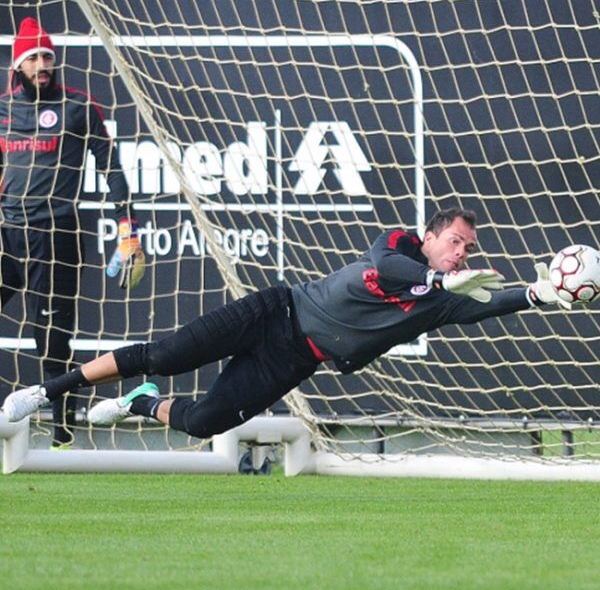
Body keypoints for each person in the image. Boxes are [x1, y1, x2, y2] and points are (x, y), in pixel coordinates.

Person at [2, 207, 569, 438]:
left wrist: (539, 293)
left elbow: (486, 305)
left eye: (468, 249)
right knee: (166, 353)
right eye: (454, 242)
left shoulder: (445, 296)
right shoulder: (399, 246)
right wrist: (441, 280)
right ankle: (46, 391)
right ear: (429, 236)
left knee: (205, 423)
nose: (461, 253)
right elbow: (387, 268)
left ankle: (142, 403)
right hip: (272, 313)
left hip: (297, 357)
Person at [0, 19, 145, 447]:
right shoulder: (3, 109)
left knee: (52, 341)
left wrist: (128, 229)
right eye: (33, 58)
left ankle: (63, 435)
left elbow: (112, 169)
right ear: (18, 65)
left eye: (47, 56)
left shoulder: (78, 107)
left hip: (57, 237)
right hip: (7, 235)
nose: (43, 64)